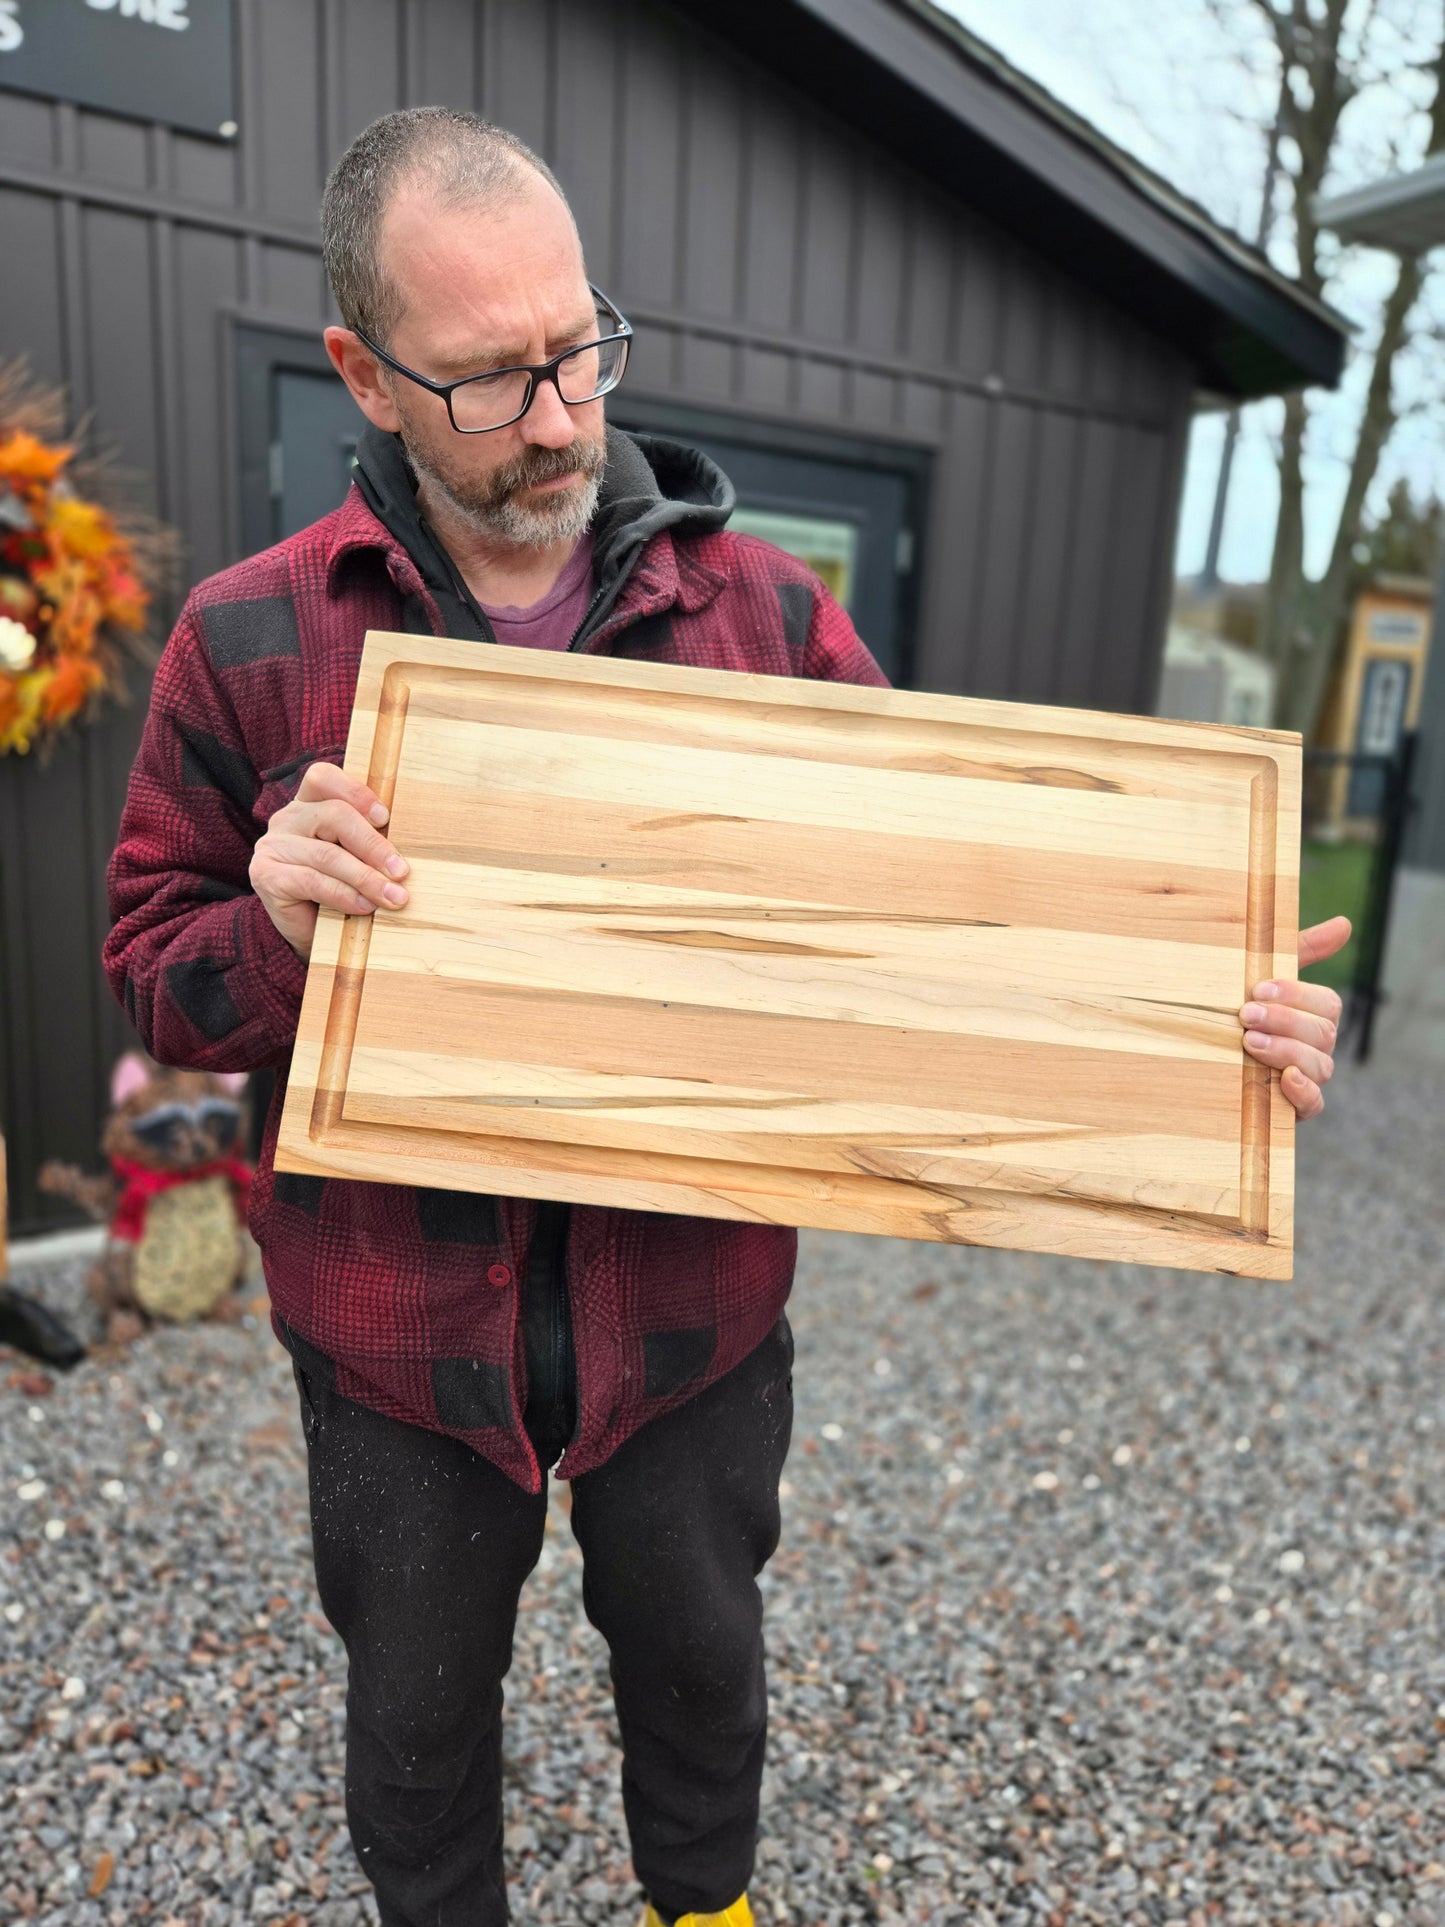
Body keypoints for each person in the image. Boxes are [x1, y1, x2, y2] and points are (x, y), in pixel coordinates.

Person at [102, 108, 1349, 1927]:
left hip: (686, 1334)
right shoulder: (248, 638)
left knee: (699, 1683)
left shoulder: (768, 619)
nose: (552, 413)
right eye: (484, 381)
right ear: (362, 374)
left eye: (575, 348)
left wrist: (1207, 1043)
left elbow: (933, 936)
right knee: (417, 1728)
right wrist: (279, 927)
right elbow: (150, 965)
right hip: (396, 1348)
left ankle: (708, 1910)